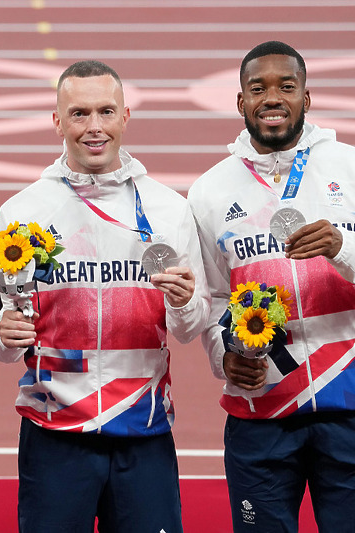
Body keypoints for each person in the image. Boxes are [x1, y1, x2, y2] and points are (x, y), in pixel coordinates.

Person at [0, 60, 210, 532]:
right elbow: (0, 339)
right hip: (53, 436)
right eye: (80, 113)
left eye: (106, 112)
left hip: (144, 432)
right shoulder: (22, 211)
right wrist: (5, 334)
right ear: (58, 121)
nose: (94, 128)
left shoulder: (169, 208)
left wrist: (185, 301)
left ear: (125, 117)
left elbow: (190, 329)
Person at [188, 40, 355, 532]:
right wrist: (224, 356)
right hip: (261, 408)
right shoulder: (210, 191)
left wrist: (342, 247)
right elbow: (214, 297)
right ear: (241, 102)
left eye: (287, 86)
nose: (272, 98)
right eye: (258, 88)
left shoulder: (349, 168)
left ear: (307, 97)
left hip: (348, 402)